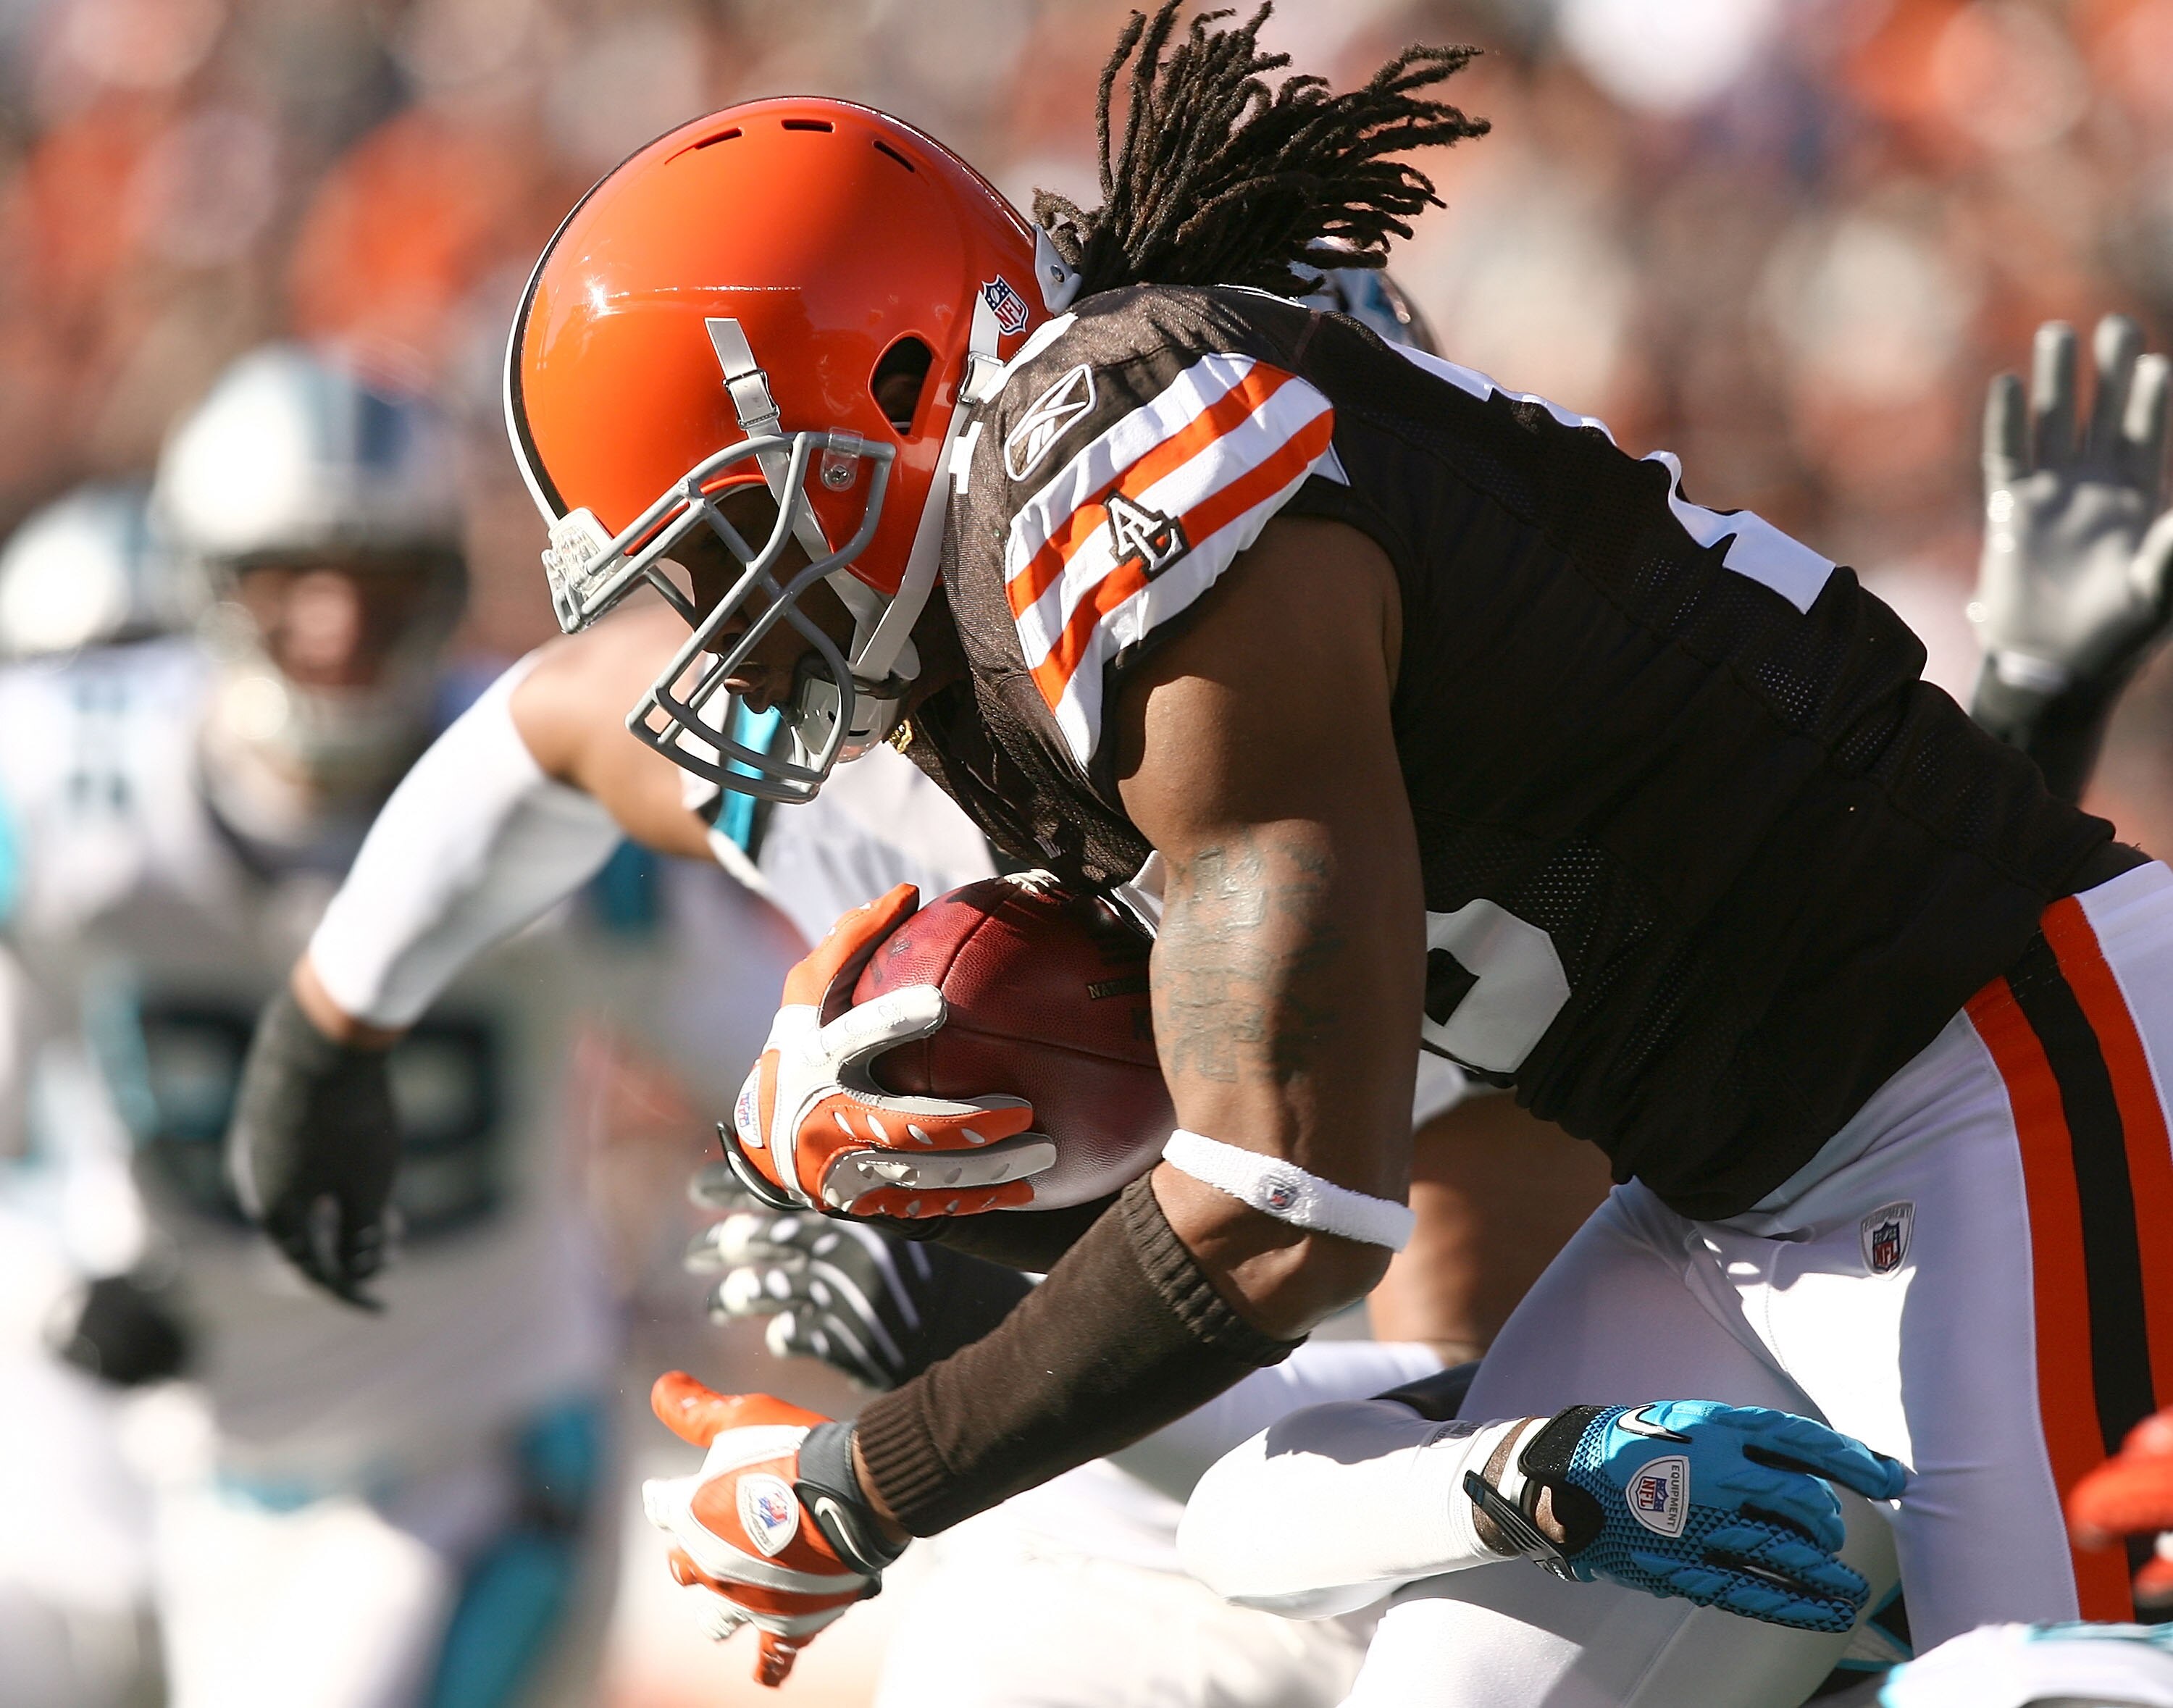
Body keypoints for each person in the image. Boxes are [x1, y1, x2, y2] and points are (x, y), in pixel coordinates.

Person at [466, 0, 2173, 1686]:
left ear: (893, 387)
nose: (717, 633)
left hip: (1987, 1069)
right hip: (1716, 1189)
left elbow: (1289, 1202)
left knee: (2037, 1685)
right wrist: (905, 1165)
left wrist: (866, 1481)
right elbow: (1211, 1127)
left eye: (720, 548)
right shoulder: (996, 637)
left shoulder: (1114, 482)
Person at [0, 345, 784, 1708]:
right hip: (211, 1482)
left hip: (471, 1460)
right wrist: (54, 1274)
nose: (335, 624)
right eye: (287, 576)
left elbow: (770, 1058)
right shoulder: (64, 785)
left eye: (377, 582)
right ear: (198, 582)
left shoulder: (540, 794)